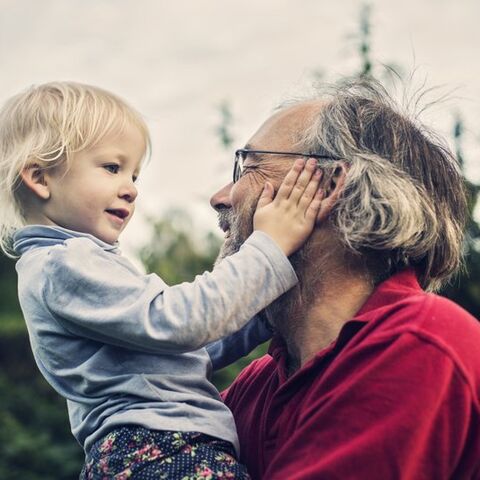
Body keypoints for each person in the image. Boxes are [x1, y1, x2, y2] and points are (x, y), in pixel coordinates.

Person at [0, 82, 324, 479]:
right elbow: (183, 322)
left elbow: (185, 352)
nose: (131, 189)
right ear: (40, 177)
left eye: (134, 174)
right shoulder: (62, 265)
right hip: (158, 453)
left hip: (158, 451)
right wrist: (268, 247)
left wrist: (263, 310)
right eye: (112, 168)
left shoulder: (73, 264)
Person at [209, 78, 480, 479]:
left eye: (248, 167)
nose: (221, 196)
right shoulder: (257, 385)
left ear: (330, 185)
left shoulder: (418, 343)